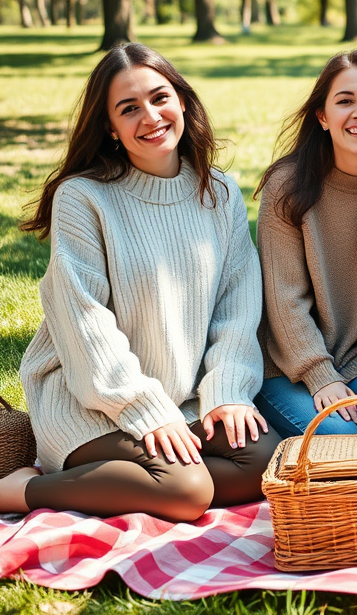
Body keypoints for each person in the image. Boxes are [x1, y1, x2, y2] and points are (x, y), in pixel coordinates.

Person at [0, 43, 280, 522]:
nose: (150, 116)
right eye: (129, 109)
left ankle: (130, 481)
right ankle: (23, 490)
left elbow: (238, 306)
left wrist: (227, 392)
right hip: (92, 401)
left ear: (183, 102)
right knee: (186, 489)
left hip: (183, 396)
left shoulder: (219, 193)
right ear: (110, 127)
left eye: (160, 97)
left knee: (265, 461)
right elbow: (85, 325)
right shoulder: (83, 198)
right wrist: (145, 411)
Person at [253, 51, 357, 437]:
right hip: (283, 360)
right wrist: (319, 375)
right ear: (322, 117)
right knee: (338, 439)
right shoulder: (287, 187)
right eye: (345, 101)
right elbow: (283, 298)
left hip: (356, 352)